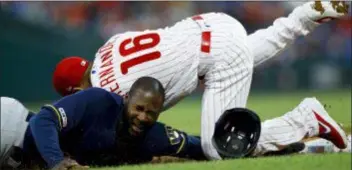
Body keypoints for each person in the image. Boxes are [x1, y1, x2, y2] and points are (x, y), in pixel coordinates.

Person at [51, 1, 350, 159]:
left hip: (215, 56)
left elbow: (118, 135)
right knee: (243, 53)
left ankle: (306, 119)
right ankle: (303, 17)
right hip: (210, 25)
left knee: (218, 148)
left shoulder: (102, 95)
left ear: (76, 90)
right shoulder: (109, 44)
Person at [0, 77, 206, 170]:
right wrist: (57, 161)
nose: (143, 117)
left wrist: (227, 147)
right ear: (126, 99)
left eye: (151, 113)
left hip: (19, 158)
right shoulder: (98, 101)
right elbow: (44, 120)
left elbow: (194, 145)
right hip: (10, 128)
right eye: (139, 108)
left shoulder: (153, 136)